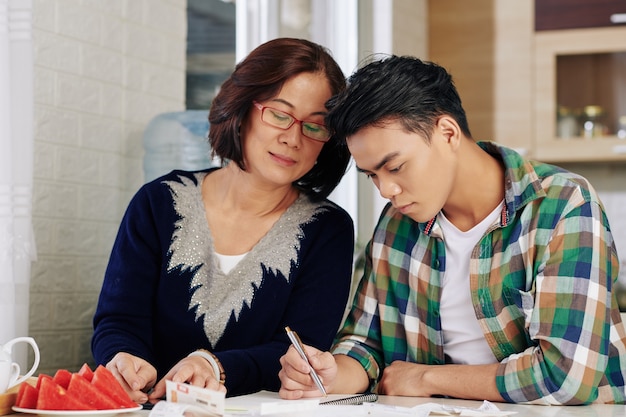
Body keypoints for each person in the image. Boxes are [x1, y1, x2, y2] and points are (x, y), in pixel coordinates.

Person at [278, 55, 626, 405]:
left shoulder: (562, 205)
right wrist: (331, 373)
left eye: (395, 167)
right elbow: (365, 345)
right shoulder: (396, 224)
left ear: (447, 133)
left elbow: (565, 377)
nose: (386, 190)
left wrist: (427, 378)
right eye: (373, 176)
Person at [92, 38, 355, 402]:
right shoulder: (158, 202)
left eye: (315, 126)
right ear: (242, 107)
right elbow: (118, 320)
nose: (293, 138)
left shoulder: (328, 229)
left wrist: (214, 365)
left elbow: (301, 350)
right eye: (280, 114)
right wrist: (122, 357)